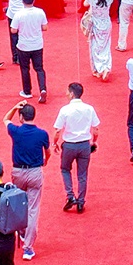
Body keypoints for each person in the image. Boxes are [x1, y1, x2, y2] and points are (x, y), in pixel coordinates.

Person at [4, 104, 48, 259]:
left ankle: (22, 231)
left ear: (21, 117)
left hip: (18, 173)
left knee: (19, 204)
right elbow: (47, 152)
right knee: (33, 209)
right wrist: (45, 161)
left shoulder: (15, 131)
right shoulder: (42, 133)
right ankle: (28, 248)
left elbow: (5, 119)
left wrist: (15, 107)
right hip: (35, 172)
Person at [52, 83, 100, 213]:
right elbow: (95, 129)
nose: (66, 94)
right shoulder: (89, 109)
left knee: (65, 169)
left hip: (69, 145)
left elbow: (57, 130)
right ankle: (81, 201)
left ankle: (70, 196)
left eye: (68, 91)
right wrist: (94, 142)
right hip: (84, 145)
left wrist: (55, 143)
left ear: (72, 94)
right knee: (82, 174)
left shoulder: (65, 110)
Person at [10, 0, 49, 101]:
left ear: (22, 1)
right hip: (37, 45)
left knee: (25, 68)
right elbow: (45, 27)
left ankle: (27, 91)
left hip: (23, 46)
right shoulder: (40, 12)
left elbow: (13, 30)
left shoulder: (19, 14)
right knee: (39, 68)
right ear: (33, 0)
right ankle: (43, 89)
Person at [82, 0, 115, 81]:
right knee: (106, 46)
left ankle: (99, 68)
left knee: (95, 47)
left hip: (96, 25)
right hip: (106, 23)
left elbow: (85, 4)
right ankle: (106, 67)